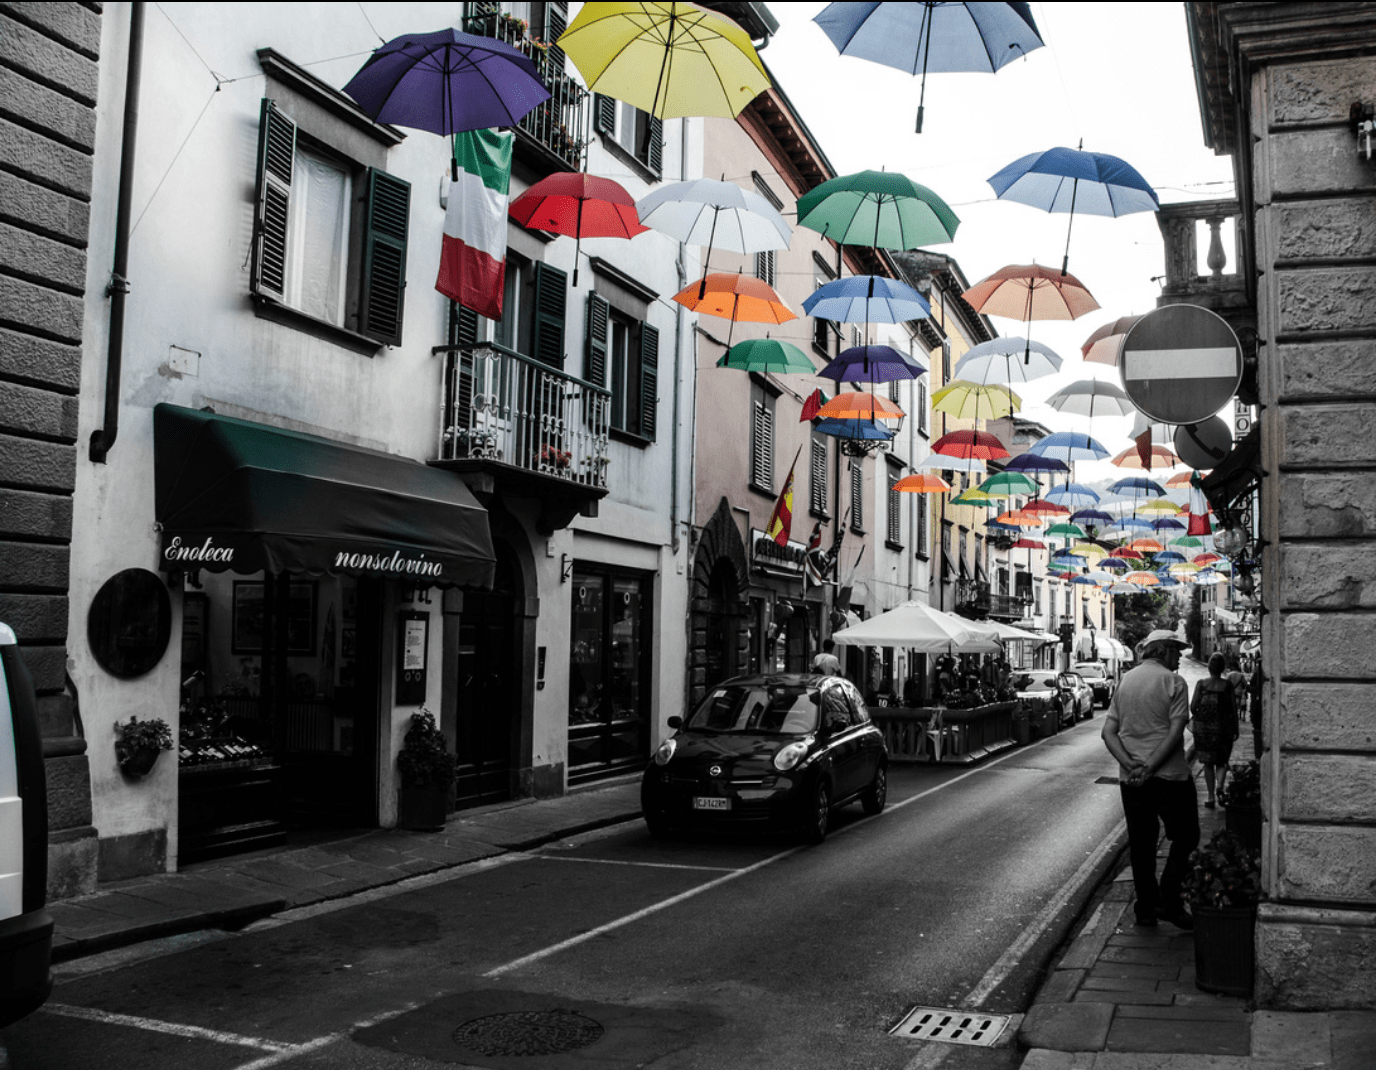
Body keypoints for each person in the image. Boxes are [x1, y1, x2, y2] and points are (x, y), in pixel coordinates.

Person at [1101, 629, 1199, 930]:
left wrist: (1131, 765)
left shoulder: (1126, 681)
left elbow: (1108, 732)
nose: (1180, 658)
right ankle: (1170, 899)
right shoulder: (1174, 682)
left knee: (1141, 844)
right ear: (1164, 651)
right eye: (1177, 652)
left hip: (1132, 781)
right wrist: (1151, 767)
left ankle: (1145, 907)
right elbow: (1175, 733)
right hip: (1170, 776)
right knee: (1186, 836)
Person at [1191, 652, 1239, 808]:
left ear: (1209, 668)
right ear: (1222, 668)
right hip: (1224, 728)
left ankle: (1211, 797)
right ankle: (1220, 786)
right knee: (1222, 761)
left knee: (1207, 763)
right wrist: (1236, 728)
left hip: (1204, 729)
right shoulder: (1227, 686)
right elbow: (1233, 708)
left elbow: (1193, 707)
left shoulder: (1201, 684)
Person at [1224, 654, 1248, 723]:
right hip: (1239, 693)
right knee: (1237, 706)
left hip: (1230, 694)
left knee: (1231, 707)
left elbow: (1225, 685)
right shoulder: (1241, 675)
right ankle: (1237, 718)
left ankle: (1232, 718)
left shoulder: (1228, 675)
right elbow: (1245, 684)